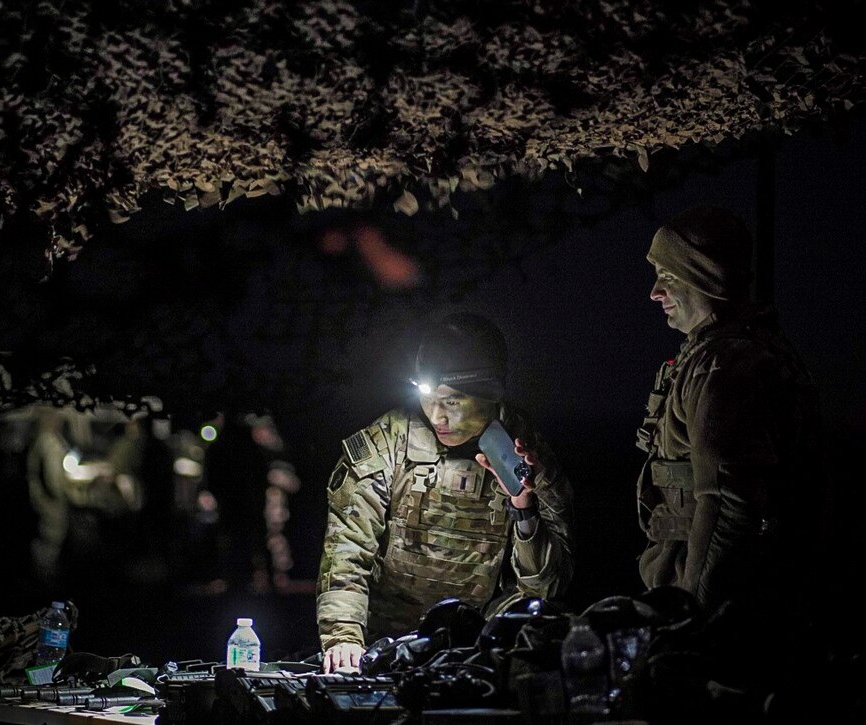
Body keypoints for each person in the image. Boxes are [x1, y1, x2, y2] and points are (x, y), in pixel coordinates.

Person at [635, 206, 825, 708]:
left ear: (707, 279)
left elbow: (726, 508)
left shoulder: (724, 365)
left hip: (720, 620)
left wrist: (692, 624)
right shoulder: (722, 353)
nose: (655, 293)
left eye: (668, 278)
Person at [316, 312, 575, 673]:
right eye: (428, 398)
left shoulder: (526, 456)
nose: (438, 415)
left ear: (489, 397)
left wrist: (523, 509)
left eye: (453, 401)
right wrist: (343, 636)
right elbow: (347, 548)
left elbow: (544, 590)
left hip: (479, 651)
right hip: (387, 645)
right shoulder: (386, 444)